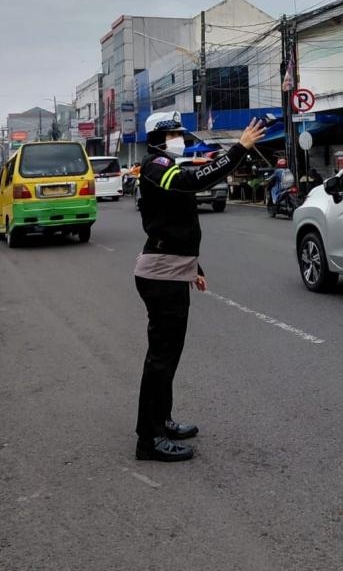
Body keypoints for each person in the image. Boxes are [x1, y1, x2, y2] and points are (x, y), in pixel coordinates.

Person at [133, 111, 266, 462]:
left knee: (169, 356)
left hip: (173, 269)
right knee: (161, 358)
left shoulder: (166, 167)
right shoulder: (156, 166)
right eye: (173, 134)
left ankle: (162, 421)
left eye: (179, 133)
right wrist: (239, 148)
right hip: (161, 274)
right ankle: (149, 439)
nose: (178, 138)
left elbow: (174, 225)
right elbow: (194, 181)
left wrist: (194, 267)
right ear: (157, 139)